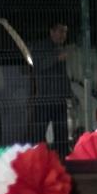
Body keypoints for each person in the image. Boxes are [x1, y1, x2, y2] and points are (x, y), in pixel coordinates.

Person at [30, 21, 72, 156]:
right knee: (39, 132)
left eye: (65, 32)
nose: (63, 35)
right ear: (51, 32)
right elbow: (37, 65)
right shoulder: (41, 47)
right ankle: (39, 157)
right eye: (60, 31)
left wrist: (68, 93)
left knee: (61, 133)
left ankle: (62, 158)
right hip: (45, 97)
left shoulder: (61, 48)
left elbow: (63, 74)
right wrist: (56, 58)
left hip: (59, 97)